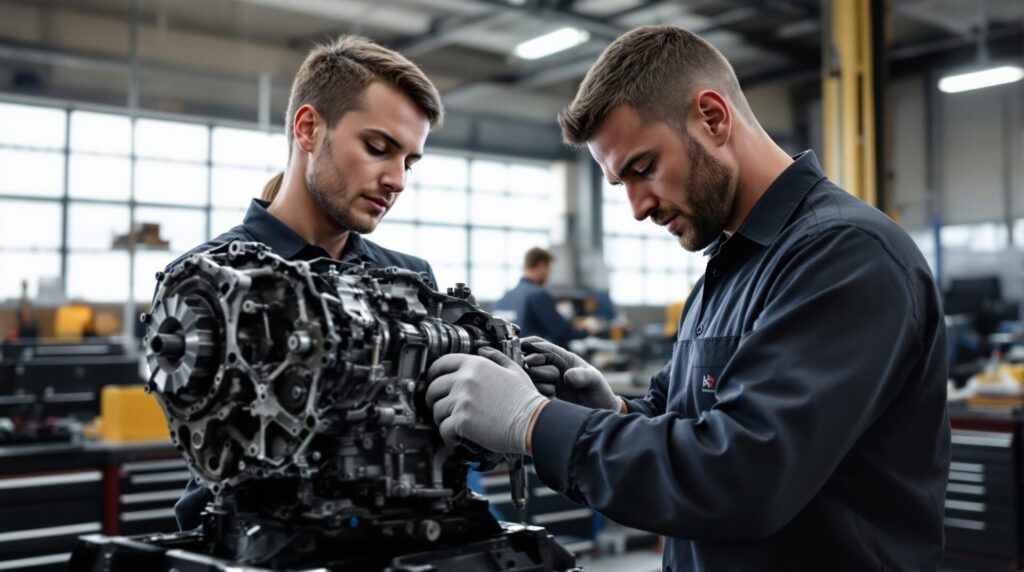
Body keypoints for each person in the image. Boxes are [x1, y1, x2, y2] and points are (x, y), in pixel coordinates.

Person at [424, 26, 949, 570]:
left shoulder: (844, 255)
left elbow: (740, 477)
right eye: (620, 184)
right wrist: (611, 411)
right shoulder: (728, 267)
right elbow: (690, 423)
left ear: (713, 118)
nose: (637, 208)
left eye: (643, 169)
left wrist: (535, 422)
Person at [166, 35, 444, 531]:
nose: (398, 180)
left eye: (408, 162)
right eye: (378, 148)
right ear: (309, 128)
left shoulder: (412, 282)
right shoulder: (208, 278)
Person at [492, 247, 585, 348]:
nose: (549, 276)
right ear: (542, 266)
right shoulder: (538, 295)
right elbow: (563, 332)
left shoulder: (503, 298)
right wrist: (587, 330)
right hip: (531, 356)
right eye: (549, 270)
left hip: (505, 356)